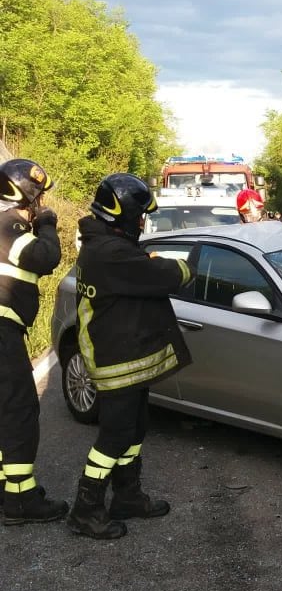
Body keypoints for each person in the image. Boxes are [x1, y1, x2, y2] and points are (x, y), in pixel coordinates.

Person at [67, 173, 194, 540]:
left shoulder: (105, 246)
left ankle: (127, 496)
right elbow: (171, 275)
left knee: (135, 429)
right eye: (139, 216)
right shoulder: (113, 253)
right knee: (114, 436)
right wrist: (176, 264)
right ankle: (85, 509)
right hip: (115, 361)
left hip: (126, 356)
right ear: (120, 213)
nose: (142, 223)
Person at [0, 158, 69, 525]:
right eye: (39, 197)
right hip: (2, 334)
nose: (42, 203)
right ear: (27, 196)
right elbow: (45, 257)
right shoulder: (9, 224)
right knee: (20, 412)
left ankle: (6, 489)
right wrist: (47, 224)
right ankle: (21, 499)